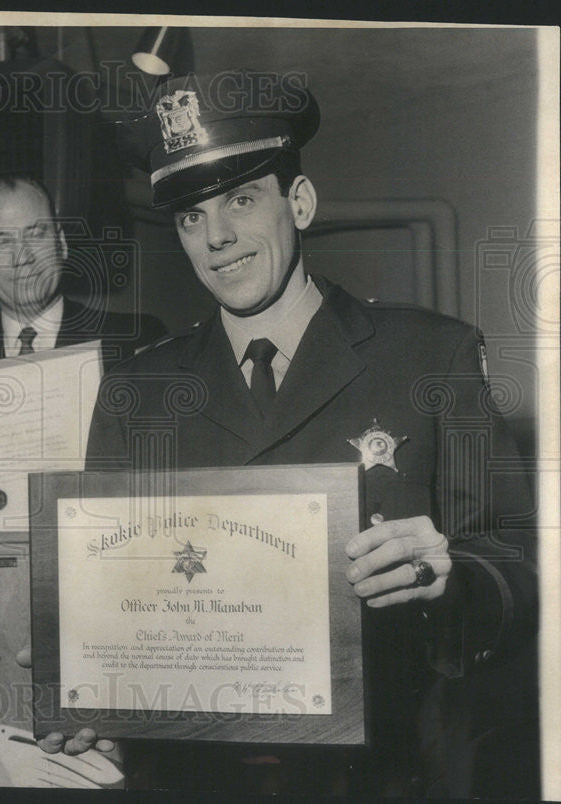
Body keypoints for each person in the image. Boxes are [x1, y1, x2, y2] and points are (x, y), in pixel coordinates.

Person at [47, 74, 538, 797]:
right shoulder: (137, 391)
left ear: (298, 203)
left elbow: (519, 572)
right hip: (190, 778)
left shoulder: (430, 356)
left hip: (381, 775)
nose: (216, 237)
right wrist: (81, 676)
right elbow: (105, 594)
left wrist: (450, 578)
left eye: (241, 200)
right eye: (189, 216)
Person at [0, 175, 167, 496]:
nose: (22, 258)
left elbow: (163, 471)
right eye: (1, 241)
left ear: (62, 243)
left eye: (36, 234)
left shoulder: (133, 340)